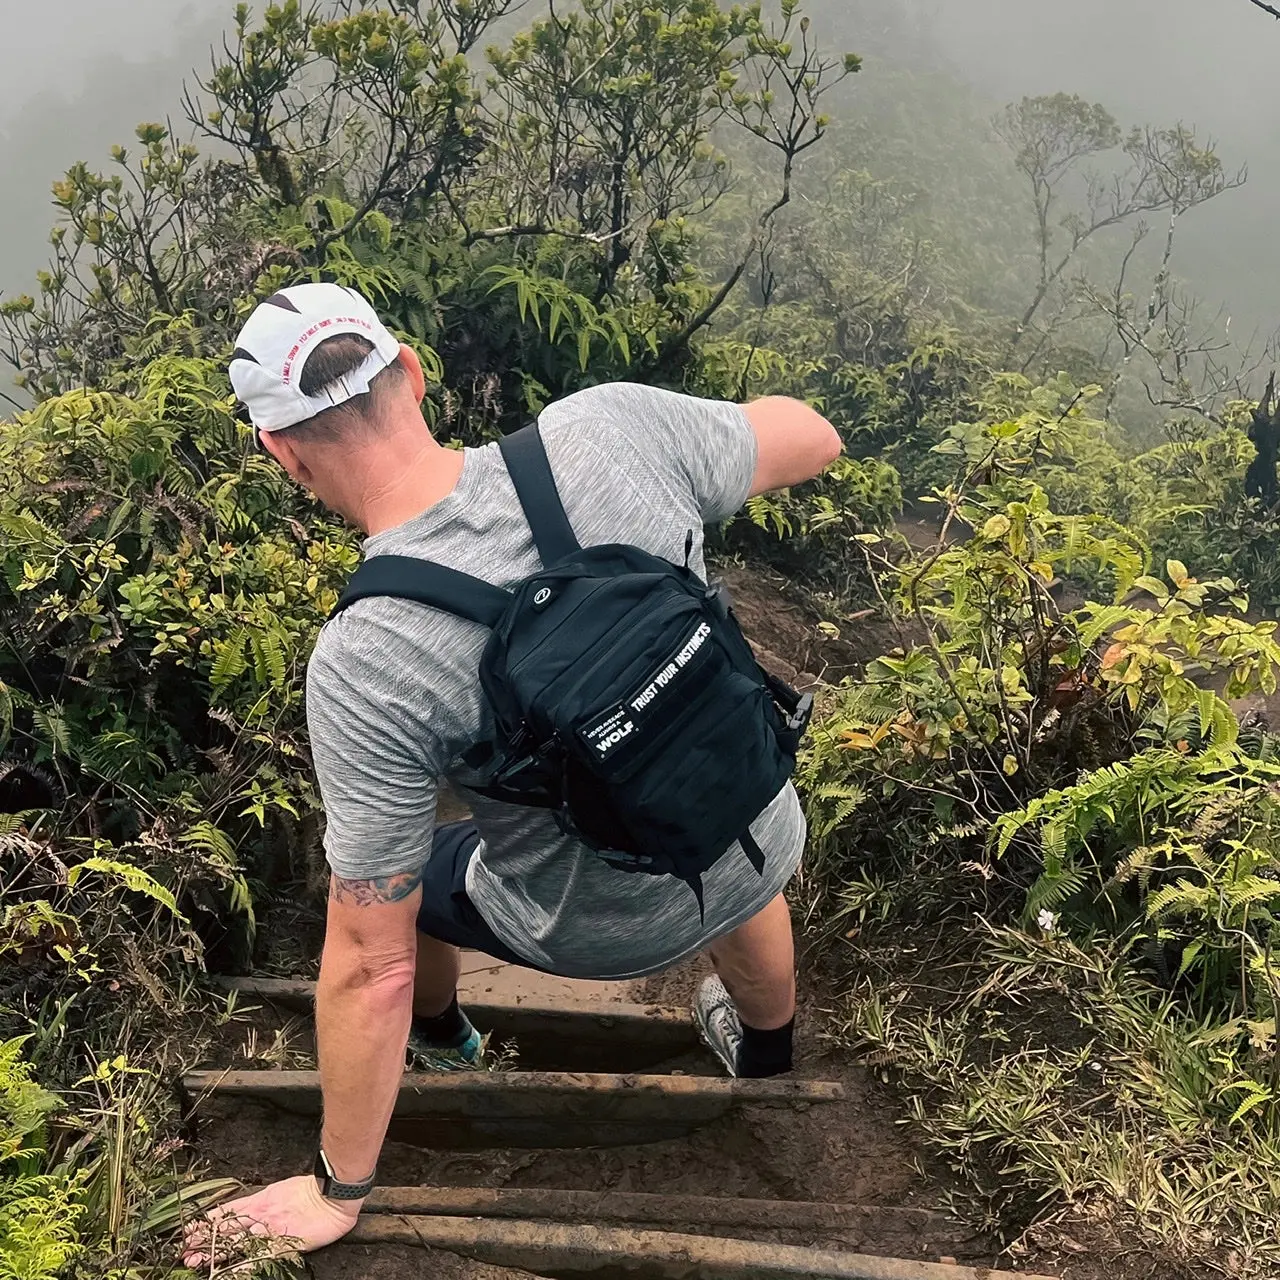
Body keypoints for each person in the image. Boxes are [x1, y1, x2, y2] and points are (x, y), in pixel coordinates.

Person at [183, 282, 842, 1264]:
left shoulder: (368, 655)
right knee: (691, 784)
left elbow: (369, 963)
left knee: (411, 888)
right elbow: (813, 438)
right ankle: (768, 1053)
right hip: (755, 820)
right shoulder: (609, 429)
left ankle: (447, 1042)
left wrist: (336, 1187)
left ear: (281, 451)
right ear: (412, 373)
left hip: (594, 931)